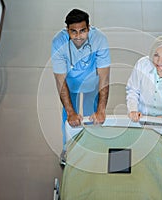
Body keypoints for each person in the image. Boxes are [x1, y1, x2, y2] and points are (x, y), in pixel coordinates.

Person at [51, 9, 111, 166]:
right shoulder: (58, 43)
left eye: (83, 31)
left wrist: (102, 109)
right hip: (70, 84)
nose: (78, 36)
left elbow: (104, 78)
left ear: (89, 28)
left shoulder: (100, 40)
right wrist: (71, 112)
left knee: (93, 116)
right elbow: (60, 80)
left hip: (92, 81)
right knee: (69, 118)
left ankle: (93, 146)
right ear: (67, 31)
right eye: (74, 32)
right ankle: (67, 148)